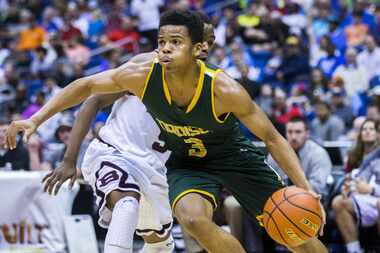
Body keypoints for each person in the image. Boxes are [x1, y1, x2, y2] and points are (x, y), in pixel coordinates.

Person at [5, 10, 327, 253]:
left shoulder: (224, 89)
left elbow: (272, 137)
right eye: (162, 42)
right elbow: (86, 86)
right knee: (192, 218)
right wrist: (37, 120)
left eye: (175, 42)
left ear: (199, 49)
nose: (166, 49)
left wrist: (306, 188)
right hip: (185, 161)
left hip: (231, 155)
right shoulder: (143, 74)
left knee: (292, 227)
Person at [40, 13, 217, 253]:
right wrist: (69, 160)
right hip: (115, 152)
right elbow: (92, 101)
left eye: (209, 42)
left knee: (161, 246)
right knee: (126, 205)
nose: (204, 47)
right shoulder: (147, 67)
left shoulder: (210, 89)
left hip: (155, 169)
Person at [332, 119, 380, 253]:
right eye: (364, 129)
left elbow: (368, 186)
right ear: (360, 134)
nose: (368, 131)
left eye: (372, 129)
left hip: (376, 196)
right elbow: (349, 178)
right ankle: (354, 250)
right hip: (361, 198)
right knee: (338, 202)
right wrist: (346, 188)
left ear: (378, 133)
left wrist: (371, 189)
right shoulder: (354, 155)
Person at [267, 117, 332, 195]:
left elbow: (318, 187)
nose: (293, 137)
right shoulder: (276, 152)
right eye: (290, 132)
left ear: (307, 134)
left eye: (298, 132)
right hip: (281, 199)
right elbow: (269, 181)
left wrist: (290, 193)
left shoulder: (319, 153)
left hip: (312, 199)